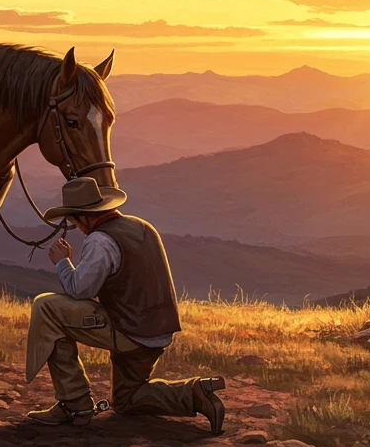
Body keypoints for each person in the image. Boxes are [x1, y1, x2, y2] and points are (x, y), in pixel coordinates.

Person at [23, 176, 226, 432]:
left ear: (85, 216)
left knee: (48, 308)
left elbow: (80, 290)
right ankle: (194, 393)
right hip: (156, 335)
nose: (76, 226)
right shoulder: (142, 226)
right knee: (126, 401)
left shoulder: (100, 241)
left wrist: (62, 262)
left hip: (130, 331)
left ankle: (74, 401)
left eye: (74, 220)